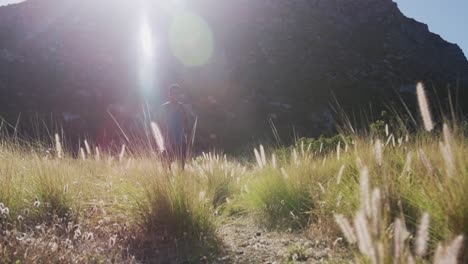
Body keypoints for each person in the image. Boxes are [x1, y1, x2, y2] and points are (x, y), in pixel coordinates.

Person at [157, 84, 196, 169]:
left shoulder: (183, 107)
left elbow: (189, 121)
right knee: (167, 164)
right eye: (174, 93)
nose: (176, 95)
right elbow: (159, 122)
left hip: (181, 140)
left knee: (181, 165)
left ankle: (180, 179)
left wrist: (185, 132)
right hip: (169, 140)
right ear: (169, 94)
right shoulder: (165, 107)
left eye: (178, 93)